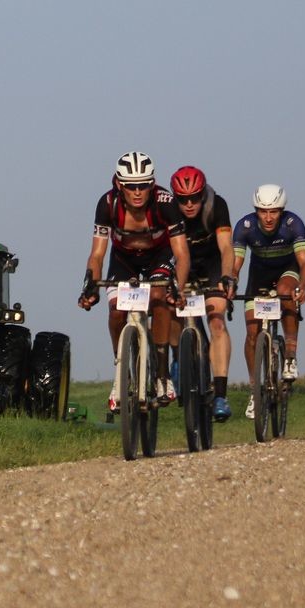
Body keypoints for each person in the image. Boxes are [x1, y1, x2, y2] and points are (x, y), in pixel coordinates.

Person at [78, 151, 190, 414]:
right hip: (124, 260)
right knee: (116, 310)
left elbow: (183, 255)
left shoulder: (165, 203)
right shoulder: (107, 204)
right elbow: (97, 254)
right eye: (131, 186)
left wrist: (179, 288)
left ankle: (162, 374)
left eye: (143, 185)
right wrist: (90, 286)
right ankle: (121, 374)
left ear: (152, 185)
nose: (137, 192)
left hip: (158, 258)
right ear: (119, 184)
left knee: (161, 299)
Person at [231, 184, 305, 418]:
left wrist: (302, 286)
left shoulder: (293, 224)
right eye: (263, 211)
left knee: (287, 291)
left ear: (282, 210)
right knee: (252, 334)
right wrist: (231, 282)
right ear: (256, 210)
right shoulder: (244, 227)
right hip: (259, 275)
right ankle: (255, 389)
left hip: (288, 270)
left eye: (274, 212)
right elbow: (236, 265)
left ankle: (290, 355)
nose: (268, 218)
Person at [168, 166, 237, 422]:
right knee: (171, 307)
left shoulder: (217, 205)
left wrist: (227, 275)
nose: (189, 204)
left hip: (211, 265)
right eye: (183, 199)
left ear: (202, 194)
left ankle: (220, 394)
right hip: (182, 264)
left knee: (217, 320)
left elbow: (226, 247)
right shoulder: (169, 209)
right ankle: (178, 358)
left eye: (194, 198)